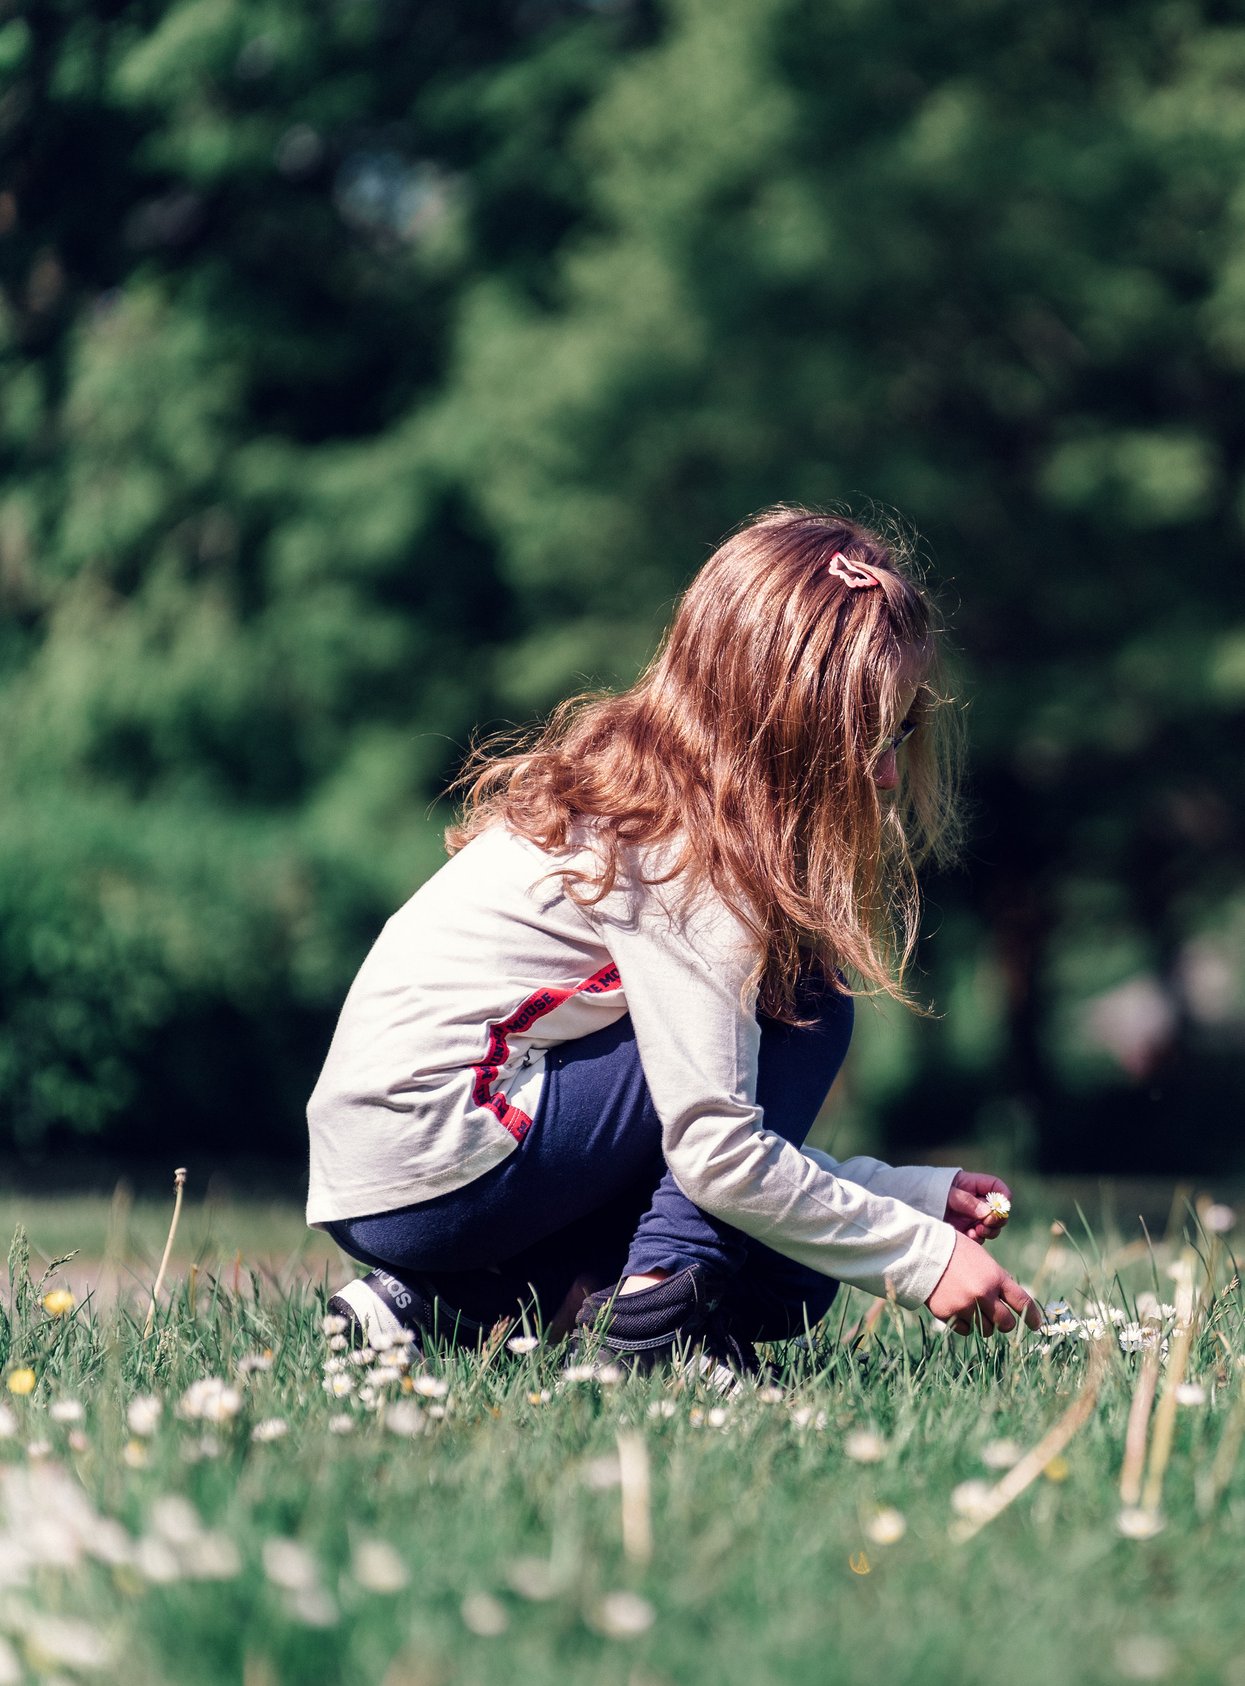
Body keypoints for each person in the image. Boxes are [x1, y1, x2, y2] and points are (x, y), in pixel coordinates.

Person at [302, 506, 1039, 1369]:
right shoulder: (687, 850)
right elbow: (718, 1147)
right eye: (866, 733)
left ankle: (447, 1304)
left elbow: (710, 1116)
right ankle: (659, 1321)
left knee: (789, 1277)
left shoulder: (644, 791)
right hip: (446, 1150)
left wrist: (904, 1196)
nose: (884, 768)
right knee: (805, 1001)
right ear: (779, 724)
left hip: (396, 1176)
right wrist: (924, 1258)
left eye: (903, 729)